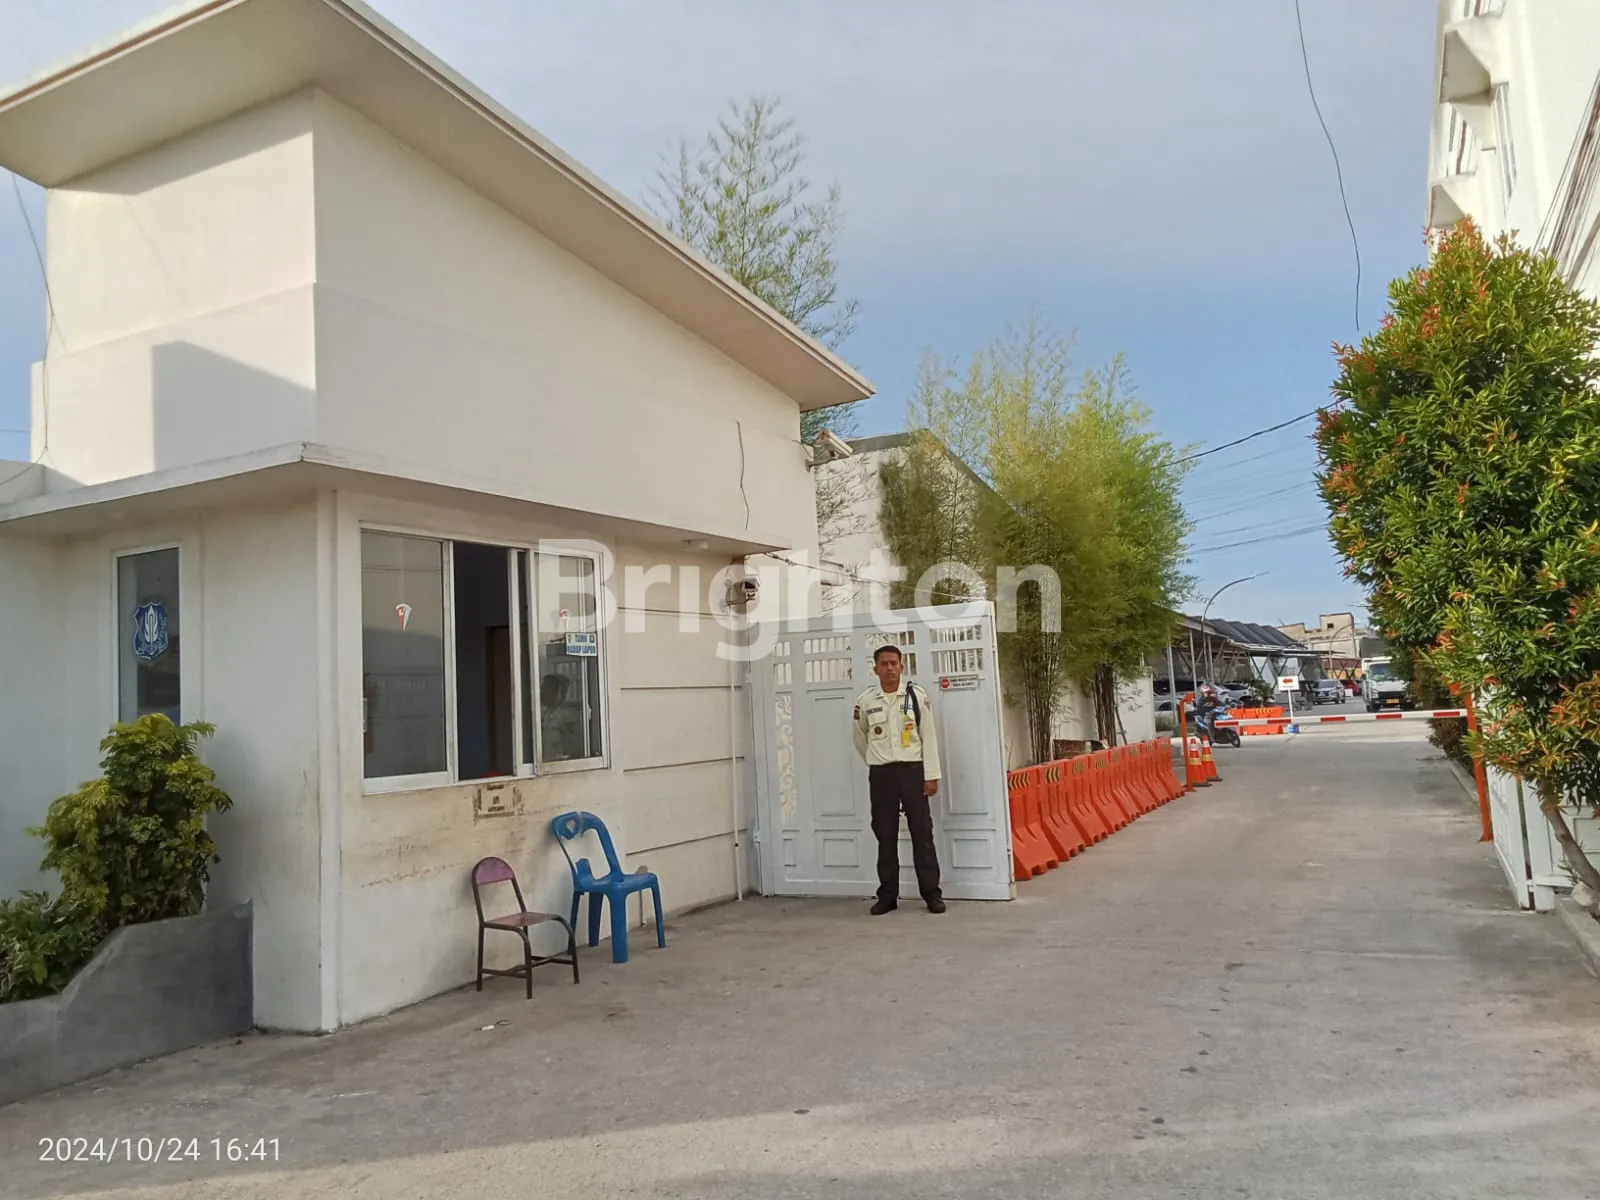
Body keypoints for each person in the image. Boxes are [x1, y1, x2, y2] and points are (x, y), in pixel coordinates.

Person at [851, 644, 944, 915]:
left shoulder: (915, 697)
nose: (890, 668)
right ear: (875, 668)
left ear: (902, 666)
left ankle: (932, 894)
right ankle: (888, 896)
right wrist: (876, 759)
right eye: (884, 664)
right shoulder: (866, 701)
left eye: (894, 663)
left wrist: (931, 776)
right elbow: (859, 737)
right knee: (885, 835)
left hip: (913, 772)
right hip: (882, 775)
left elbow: (928, 736)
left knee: (922, 834)